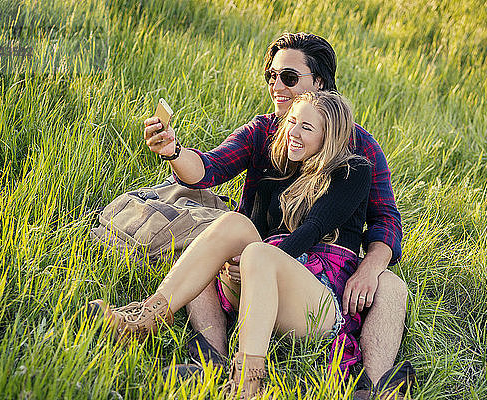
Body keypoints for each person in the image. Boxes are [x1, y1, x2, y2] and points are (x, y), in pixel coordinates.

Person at [121, 32, 413, 398]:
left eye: (288, 78)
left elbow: (383, 218)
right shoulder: (266, 133)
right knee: (224, 227)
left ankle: (269, 383)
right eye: (271, 76)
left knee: (391, 286)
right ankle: (154, 322)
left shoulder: (356, 154)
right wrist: (173, 150)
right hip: (258, 260)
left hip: (304, 277)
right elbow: (209, 168)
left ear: (318, 84)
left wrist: (371, 267)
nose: (276, 86)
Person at [91, 91, 375, 398]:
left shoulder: (354, 171)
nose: (292, 132)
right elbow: (224, 187)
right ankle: (146, 318)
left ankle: (247, 383)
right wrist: (242, 261)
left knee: (258, 252)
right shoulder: (279, 166)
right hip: (267, 279)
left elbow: (314, 227)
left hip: (318, 301)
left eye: (306, 128)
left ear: (329, 138)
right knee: (234, 224)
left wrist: (258, 258)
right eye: (292, 121)